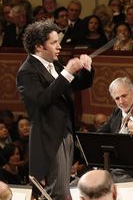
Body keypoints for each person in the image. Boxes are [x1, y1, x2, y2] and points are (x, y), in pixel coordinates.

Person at [16, 19, 94, 199]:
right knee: (57, 191)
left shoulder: (54, 64)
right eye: (53, 43)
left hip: (65, 132)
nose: (59, 46)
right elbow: (42, 100)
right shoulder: (27, 71)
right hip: (49, 137)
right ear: (38, 47)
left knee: (63, 187)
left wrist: (87, 68)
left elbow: (79, 84)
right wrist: (67, 72)